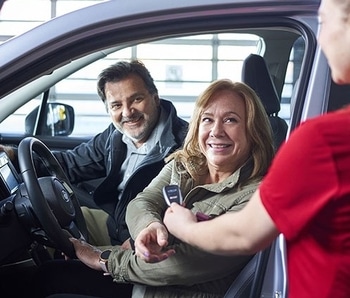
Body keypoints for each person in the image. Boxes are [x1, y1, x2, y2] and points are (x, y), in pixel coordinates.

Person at [139, 0, 350, 297]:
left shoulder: (324, 140)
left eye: (326, 23)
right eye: (208, 119)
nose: (322, 37)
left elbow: (243, 234)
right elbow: (142, 203)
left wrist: (182, 226)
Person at [34, 79, 275, 298]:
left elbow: (182, 265)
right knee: (49, 275)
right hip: (140, 281)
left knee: (51, 284)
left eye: (231, 120)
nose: (216, 131)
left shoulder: (255, 198)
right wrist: (149, 227)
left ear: (253, 130)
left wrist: (104, 260)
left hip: (168, 289)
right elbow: (142, 201)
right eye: (208, 119)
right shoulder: (185, 162)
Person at [0, 59, 188, 248]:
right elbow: (69, 165)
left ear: (155, 98)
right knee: (37, 227)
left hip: (146, 240)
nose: (127, 112)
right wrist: (12, 154)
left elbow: (190, 210)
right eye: (116, 105)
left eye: (136, 99)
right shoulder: (115, 136)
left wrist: (136, 240)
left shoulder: (185, 144)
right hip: (113, 224)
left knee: (50, 273)